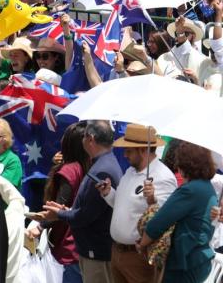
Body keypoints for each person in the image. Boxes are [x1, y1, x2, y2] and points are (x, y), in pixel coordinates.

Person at [43, 120, 123, 283]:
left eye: (84, 137)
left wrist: (59, 213)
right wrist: (66, 210)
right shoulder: (103, 163)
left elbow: (85, 216)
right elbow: (89, 207)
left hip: (96, 253)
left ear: (91, 139)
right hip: (94, 250)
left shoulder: (102, 169)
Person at [98, 124, 177, 283]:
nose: (125, 155)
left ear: (143, 150)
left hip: (139, 258)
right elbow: (122, 206)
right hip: (118, 253)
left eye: (129, 150)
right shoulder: (130, 171)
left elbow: (162, 221)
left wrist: (152, 200)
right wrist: (108, 193)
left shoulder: (163, 177)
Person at [137, 142, 218, 283]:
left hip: (184, 263)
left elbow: (158, 223)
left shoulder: (190, 189)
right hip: (199, 259)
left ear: (185, 165)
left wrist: (142, 244)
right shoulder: (207, 187)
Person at [28, 122, 90, 283]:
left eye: (65, 136)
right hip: (79, 242)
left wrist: (40, 227)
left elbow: (58, 208)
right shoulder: (84, 166)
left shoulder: (69, 171)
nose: (61, 139)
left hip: (66, 246)